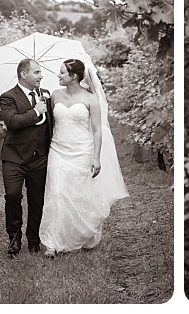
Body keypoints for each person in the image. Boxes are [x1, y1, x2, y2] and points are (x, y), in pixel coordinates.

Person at [39, 58, 129, 257]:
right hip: (58, 150)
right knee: (57, 193)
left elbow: (97, 131)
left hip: (82, 150)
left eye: (62, 73)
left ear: (73, 76)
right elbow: (48, 123)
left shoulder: (91, 99)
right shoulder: (54, 95)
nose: (58, 76)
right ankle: (52, 243)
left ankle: (80, 232)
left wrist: (96, 158)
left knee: (79, 194)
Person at [0, 58, 53, 256]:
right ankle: (14, 238)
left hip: (39, 157)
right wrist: (35, 111)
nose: (41, 76)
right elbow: (12, 121)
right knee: (13, 195)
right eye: (37, 72)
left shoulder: (45, 95)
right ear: (24, 74)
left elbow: (51, 125)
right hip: (14, 156)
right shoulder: (8, 97)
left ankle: (34, 240)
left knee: (37, 199)